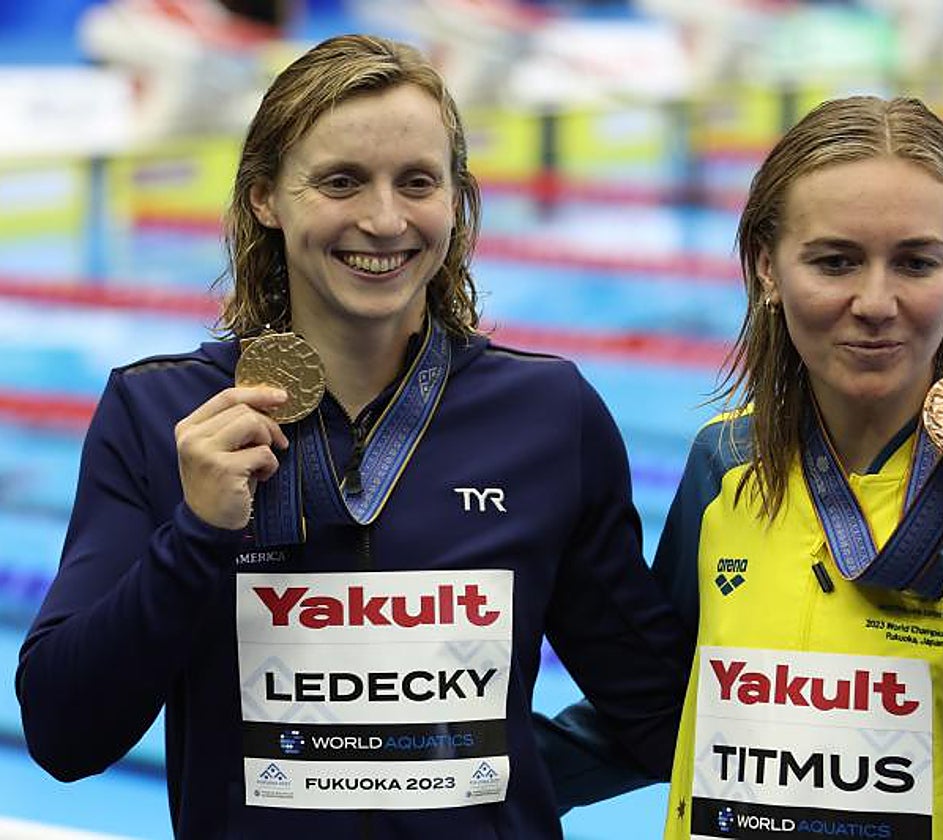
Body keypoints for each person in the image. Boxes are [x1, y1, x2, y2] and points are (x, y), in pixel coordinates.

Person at [16, 34, 688, 838]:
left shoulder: (548, 415)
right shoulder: (163, 413)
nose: (383, 219)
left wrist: (504, 774)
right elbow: (62, 734)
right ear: (266, 197)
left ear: (456, 199)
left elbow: (659, 712)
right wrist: (194, 535)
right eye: (341, 182)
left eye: (417, 183)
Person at [547, 95, 943, 838]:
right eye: (836, 261)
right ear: (767, 265)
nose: (876, 302)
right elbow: (661, 710)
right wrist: (457, 776)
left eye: (916, 262)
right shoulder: (723, 466)